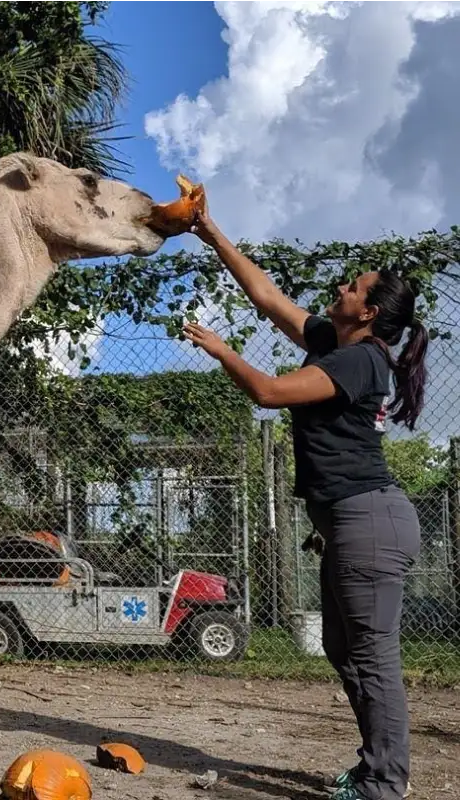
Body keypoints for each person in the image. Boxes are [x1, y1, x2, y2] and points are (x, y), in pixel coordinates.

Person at [183, 205, 428, 800]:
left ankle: (385, 784)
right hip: (352, 521)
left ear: (368, 312)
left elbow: (269, 393)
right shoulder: (332, 340)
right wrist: (209, 229)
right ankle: (374, 767)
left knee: (373, 658)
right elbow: (268, 298)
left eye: (355, 286)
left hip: (369, 520)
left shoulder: (360, 359)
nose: (343, 287)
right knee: (346, 651)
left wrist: (221, 351)